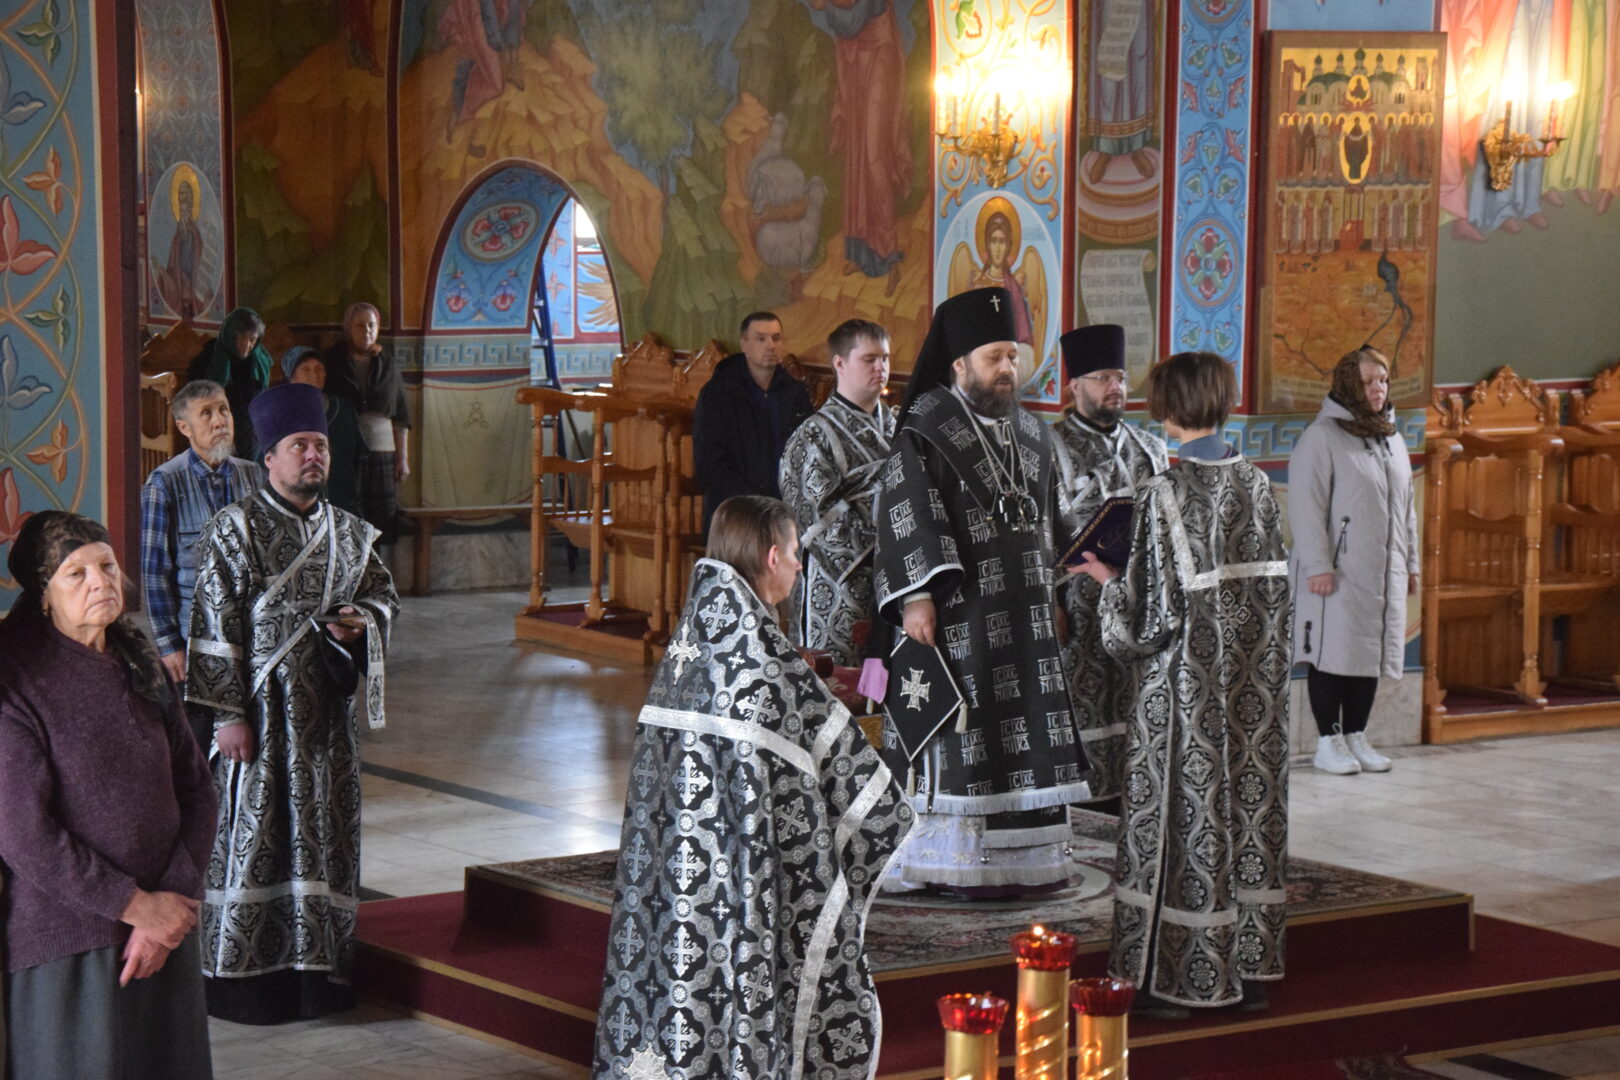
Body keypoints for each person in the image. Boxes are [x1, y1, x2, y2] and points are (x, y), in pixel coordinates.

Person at [591, 495, 911, 1080]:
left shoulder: (691, 642)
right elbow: (855, 780)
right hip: (739, 872)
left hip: (672, 877)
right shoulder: (761, 657)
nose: (798, 566)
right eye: (794, 554)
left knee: (675, 978)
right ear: (770, 556)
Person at [1075, 351, 1291, 1016]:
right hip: (1256, 699)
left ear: (1167, 409)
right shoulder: (1258, 485)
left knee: (1182, 822)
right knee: (1246, 817)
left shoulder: (1162, 493)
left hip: (1184, 697)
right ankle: (1247, 969)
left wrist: (1107, 585)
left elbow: (1145, 623)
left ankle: (1182, 980)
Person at [186, 381, 400, 1024]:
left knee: (323, 839)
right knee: (253, 839)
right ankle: (244, 983)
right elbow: (214, 620)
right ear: (270, 457)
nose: (313, 456)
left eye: (321, 445)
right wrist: (227, 716)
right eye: (299, 445)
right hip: (257, 717)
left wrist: (362, 623)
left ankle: (320, 977)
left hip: (325, 722)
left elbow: (384, 599)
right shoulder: (234, 528)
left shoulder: (352, 535)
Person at [872, 287, 1087, 897]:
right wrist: (917, 598)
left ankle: (1027, 862)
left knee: (1024, 726)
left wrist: (1059, 587)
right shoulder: (924, 429)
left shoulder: (1032, 431)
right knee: (966, 728)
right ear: (960, 362)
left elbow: (1051, 515)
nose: (1008, 369)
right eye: (995, 357)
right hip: (961, 615)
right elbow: (905, 508)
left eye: (1014, 356)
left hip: (1025, 618)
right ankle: (954, 861)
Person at [0, 512, 216, 1080]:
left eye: (107, 565)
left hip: (163, 929)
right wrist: (136, 906)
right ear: (43, 596)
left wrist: (169, 904)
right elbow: (25, 835)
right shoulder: (16, 682)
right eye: (76, 574)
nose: (101, 582)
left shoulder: (137, 658)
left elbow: (197, 788)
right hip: (72, 943)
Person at [1052, 324, 1168, 803]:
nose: (1116, 386)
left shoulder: (1151, 449)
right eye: (1102, 377)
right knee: (1083, 708)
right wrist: (1047, 603)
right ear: (1074, 385)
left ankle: (1135, 799)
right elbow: (1033, 532)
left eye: (1119, 376)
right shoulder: (1046, 448)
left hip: (1139, 607)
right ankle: (1081, 806)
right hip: (1077, 607)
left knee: (1136, 708)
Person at [1288, 347, 1416, 775]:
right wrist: (1317, 566)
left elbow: (1407, 509)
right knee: (1333, 655)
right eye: (1367, 381)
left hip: (1383, 572)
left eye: (1382, 380)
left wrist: (1410, 564)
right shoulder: (1322, 437)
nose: (1377, 389)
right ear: (1347, 385)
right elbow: (1306, 509)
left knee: (1368, 655)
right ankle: (1328, 741)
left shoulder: (1391, 436)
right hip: (1336, 573)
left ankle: (1356, 736)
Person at [777, 317, 895, 664]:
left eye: (885, 359)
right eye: (870, 359)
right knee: (835, 688)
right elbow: (815, 519)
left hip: (896, 584)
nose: (881, 368)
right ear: (840, 363)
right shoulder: (813, 436)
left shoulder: (901, 426)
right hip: (837, 586)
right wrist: (887, 533)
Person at [140, 378, 264, 690]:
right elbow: (155, 573)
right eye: (206, 413)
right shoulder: (164, 483)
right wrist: (169, 645)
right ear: (185, 428)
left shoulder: (254, 475)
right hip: (194, 635)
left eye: (224, 410)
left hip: (253, 634)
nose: (220, 420)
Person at [692, 310, 813, 532]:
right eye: (761, 338)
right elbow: (710, 462)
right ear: (744, 344)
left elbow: (805, 452)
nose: (770, 345)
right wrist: (753, 504)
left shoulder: (795, 394)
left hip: (783, 512)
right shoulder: (718, 393)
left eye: (776, 338)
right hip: (734, 512)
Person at [323, 301, 411, 542]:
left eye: (371, 325)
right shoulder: (333, 361)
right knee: (347, 514)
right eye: (360, 326)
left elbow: (401, 415)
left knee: (380, 518)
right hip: (345, 449)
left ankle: (376, 572)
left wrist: (402, 458)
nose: (367, 331)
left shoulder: (388, 364)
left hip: (382, 451)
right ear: (348, 328)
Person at [284, 346, 367, 517]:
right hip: (299, 506)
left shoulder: (344, 408)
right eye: (306, 369)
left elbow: (360, 456)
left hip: (343, 501)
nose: (314, 374)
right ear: (292, 377)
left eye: (319, 369)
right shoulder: (282, 413)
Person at [187, 306, 274, 459]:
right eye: (241, 338)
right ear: (231, 335)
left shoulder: (260, 359)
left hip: (251, 430)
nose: (246, 345)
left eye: (252, 340)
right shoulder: (210, 355)